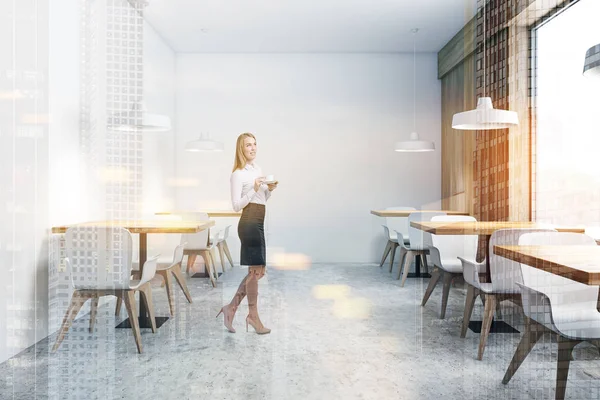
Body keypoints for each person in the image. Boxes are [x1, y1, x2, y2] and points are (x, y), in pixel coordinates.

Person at [216, 132, 277, 334]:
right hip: (249, 222)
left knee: (258, 272)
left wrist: (269, 190)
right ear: (241, 149)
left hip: (259, 220)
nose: (253, 148)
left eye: (254, 144)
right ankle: (252, 316)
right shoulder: (238, 174)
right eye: (248, 145)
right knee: (255, 272)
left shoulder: (257, 169)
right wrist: (253, 188)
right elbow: (236, 206)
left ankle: (231, 308)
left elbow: (262, 200)